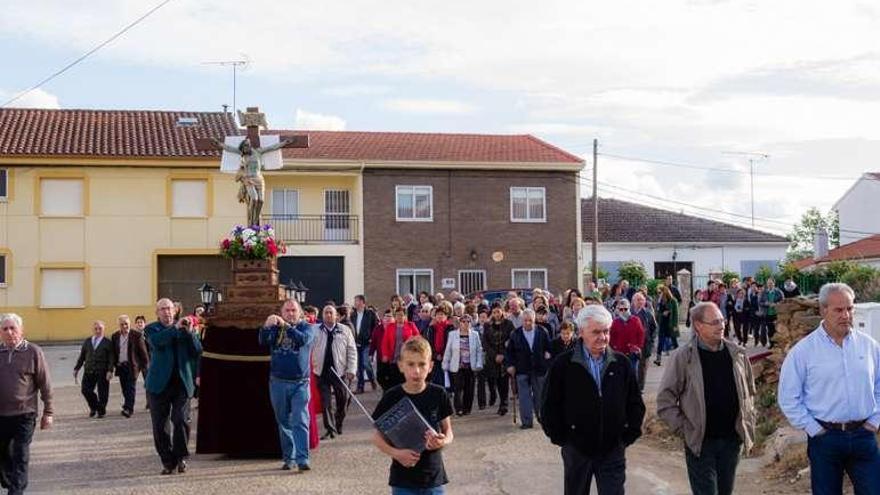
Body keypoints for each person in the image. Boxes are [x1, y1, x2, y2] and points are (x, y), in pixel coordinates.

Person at [778, 283, 880, 494]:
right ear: (823, 310)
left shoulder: (869, 346)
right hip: (826, 440)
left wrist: (875, 420)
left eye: (850, 308)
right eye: (838, 310)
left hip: (864, 436)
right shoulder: (803, 352)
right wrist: (814, 429)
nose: (846, 315)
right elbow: (789, 398)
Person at [541, 304, 646, 495]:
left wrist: (627, 436)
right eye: (596, 332)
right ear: (581, 332)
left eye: (606, 331)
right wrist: (562, 438)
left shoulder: (621, 364)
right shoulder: (563, 365)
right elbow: (549, 406)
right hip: (577, 450)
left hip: (612, 450)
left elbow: (635, 404)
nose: (603, 337)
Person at [656, 302, 757, 495]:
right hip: (701, 442)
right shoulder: (683, 357)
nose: (721, 326)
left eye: (722, 320)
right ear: (698, 325)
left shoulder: (737, 354)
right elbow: (665, 401)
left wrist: (749, 420)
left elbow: (750, 392)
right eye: (715, 322)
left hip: (731, 440)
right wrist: (685, 429)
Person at [372, 337, 454, 494]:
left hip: (433, 477)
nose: (416, 371)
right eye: (410, 364)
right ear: (401, 366)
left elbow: (448, 431)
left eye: (422, 364)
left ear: (430, 366)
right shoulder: (392, 396)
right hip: (403, 480)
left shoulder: (439, 394)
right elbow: (376, 437)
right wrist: (397, 453)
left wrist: (442, 441)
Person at [144, 298, 202, 475]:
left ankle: (181, 457)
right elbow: (157, 342)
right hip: (158, 385)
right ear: (157, 313)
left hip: (181, 384)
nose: (166, 312)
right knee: (160, 426)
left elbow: (197, 350)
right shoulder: (151, 329)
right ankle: (167, 461)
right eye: (162, 309)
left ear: (175, 311)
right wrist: (175, 328)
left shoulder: (184, 328)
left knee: (180, 419)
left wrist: (190, 333)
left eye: (169, 308)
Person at [258, 299, 316, 472]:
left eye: (293, 310)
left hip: (300, 383)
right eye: (287, 310)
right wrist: (266, 326)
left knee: (300, 420)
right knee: (283, 422)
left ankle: (302, 459)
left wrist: (287, 327)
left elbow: (302, 340)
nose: (290, 313)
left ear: (300, 312)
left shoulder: (307, 328)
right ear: (281, 312)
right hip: (278, 382)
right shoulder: (276, 328)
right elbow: (263, 341)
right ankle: (288, 458)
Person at [0, 314, 53, 495]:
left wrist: (48, 412)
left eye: (12, 328)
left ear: (21, 330)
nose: (9, 332)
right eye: (5, 329)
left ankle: (16, 491)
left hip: (25, 414)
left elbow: (45, 383)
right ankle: (9, 481)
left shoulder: (33, 352)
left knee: (21, 455)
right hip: (1, 415)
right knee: (3, 457)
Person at [312, 305, 357, 440]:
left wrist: (351, 369)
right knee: (326, 402)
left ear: (336, 315)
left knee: (342, 401)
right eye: (326, 313)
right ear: (322, 315)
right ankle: (329, 428)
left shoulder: (345, 330)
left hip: (340, 371)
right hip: (322, 371)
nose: (328, 315)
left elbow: (352, 351)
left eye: (331, 313)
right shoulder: (315, 330)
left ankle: (338, 424)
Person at [504, 309, 552, 429]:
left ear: (534, 320)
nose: (528, 323)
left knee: (539, 395)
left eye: (530, 320)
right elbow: (509, 352)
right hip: (521, 369)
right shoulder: (515, 334)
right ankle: (526, 421)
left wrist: (548, 354)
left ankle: (542, 418)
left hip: (539, 368)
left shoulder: (542, 331)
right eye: (525, 320)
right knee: (524, 396)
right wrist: (509, 365)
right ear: (522, 321)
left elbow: (549, 347)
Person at [442, 314, 484, 416]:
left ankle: (467, 408)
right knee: (458, 388)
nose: (465, 324)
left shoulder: (475, 335)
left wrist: (479, 363)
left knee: (469, 388)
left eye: (468, 322)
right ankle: (459, 408)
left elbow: (479, 350)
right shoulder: (452, 334)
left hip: (470, 365)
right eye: (463, 321)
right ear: (460, 323)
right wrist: (445, 363)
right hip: (458, 365)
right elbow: (448, 350)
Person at [73, 320, 114, 419]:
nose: (98, 331)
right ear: (93, 329)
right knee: (85, 390)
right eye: (96, 329)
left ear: (103, 329)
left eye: (100, 329)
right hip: (89, 370)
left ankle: (101, 411)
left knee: (103, 392)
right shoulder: (88, 341)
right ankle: (94, 407)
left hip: (102, 371)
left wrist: (110, 370)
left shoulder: (107, 342)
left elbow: (111, 358)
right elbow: (82, 356)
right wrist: (77, 368)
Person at [111, 315, 149, 417]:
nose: (124, 326)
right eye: (122, 324)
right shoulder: (115, 336)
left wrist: (145, 365)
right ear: (119, 325)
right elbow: (114, 353)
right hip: (121, 366)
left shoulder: (136, 335)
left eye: (126, 324)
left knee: (130, 388)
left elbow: (143, 353)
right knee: (124, 388)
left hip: (132, 366)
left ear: (129, 324)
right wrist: (112, 367)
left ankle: (129, 409)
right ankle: (127, 404)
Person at [482, 306, 514, 416]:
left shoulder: (508, 324)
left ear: (502, 312)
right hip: (492, 357)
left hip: (504, 357)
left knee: (503, 381)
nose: (496, 314)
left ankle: (503, 404)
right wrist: (494, 355)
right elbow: (485, 343)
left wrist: (503, 355)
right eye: (494, 312)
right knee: (492, 380)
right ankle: (493, 394)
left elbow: (511, 340)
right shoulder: (487, 325)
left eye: (498, 312)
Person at [379, 307, 421, 390]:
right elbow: (385, 342)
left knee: (405, 379)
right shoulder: (390, 326)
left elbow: (418, 339)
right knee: (394, 380)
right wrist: (385, 355)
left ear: (405, 316)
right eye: (397, 315)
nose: (399, 317)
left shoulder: (411, 325)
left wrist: (411, 339)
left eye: (401, 315)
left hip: (407, 357)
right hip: (394, 358)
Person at [610, 299, 645, 384]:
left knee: (633, 373)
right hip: (620, 353)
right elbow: (611, 336)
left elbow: (641, 334)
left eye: (625, 309)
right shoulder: (615, 322)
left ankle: (634, 393)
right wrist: (614, 347)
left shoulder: (635, 320)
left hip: (632, 353)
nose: (623, 311)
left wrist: (638, 347)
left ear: (629, 308)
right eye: (621, 309)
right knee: (620, 375)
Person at [352, 295, 379, 394]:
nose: (355, 303)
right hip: (356, 342)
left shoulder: (370, 314)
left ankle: (372, 379)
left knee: (366, 363)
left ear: (363, 303)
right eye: (355, 301)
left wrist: (372, 338)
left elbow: (375, 326)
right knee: (358, 366)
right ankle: (360, 386)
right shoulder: (353, 315)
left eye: (357, 301)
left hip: (367, 343)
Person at [632, 292, 657, 392]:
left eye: (641, 300)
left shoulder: (648, 314)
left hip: (645, 344)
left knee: (642, 367)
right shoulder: (630, 313)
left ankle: (640, 387)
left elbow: (654, 328)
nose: (640, 302)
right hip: (632, 344)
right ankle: (633, 386)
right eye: (637, 300)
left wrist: (651, 340)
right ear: (633, 302)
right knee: (632, 366)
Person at [425, 307, 454, 390]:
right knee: (437, 378)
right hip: (435, 357)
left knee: (448, 377)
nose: (440, 316)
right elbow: (429, 343)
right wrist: (436, 354)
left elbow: (450, 343)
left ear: (446, 316)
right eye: (438, 315)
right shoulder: (431, 328)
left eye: (442, 314)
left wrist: (444, 354)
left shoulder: (450, 328)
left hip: (447, 356)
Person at [655, 286, 679, 365]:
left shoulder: (673, 301)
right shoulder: (660, 301)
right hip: (662, 324)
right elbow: (658, 313)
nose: (659, 294)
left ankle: (679, 357)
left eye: (660, 292)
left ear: (665, 292)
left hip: (671, 324)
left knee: (674, 342)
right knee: (660, 342)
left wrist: (675, 325)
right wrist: (662, 314)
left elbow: (676, 314)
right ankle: (658, 359)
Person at [759, 278, 784, 348]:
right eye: (768, 283)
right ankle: (772, 344)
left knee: (777, 329)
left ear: (774, 283)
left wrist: (776, 304)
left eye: (771, 283)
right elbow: (760, 302)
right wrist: (766, 304)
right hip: (767, 314)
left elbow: (783, 302)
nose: (769, 284)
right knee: (770, 330)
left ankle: (778, 344)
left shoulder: (779, 292)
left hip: (777, 314)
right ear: (767, 284)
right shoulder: (764, 292)